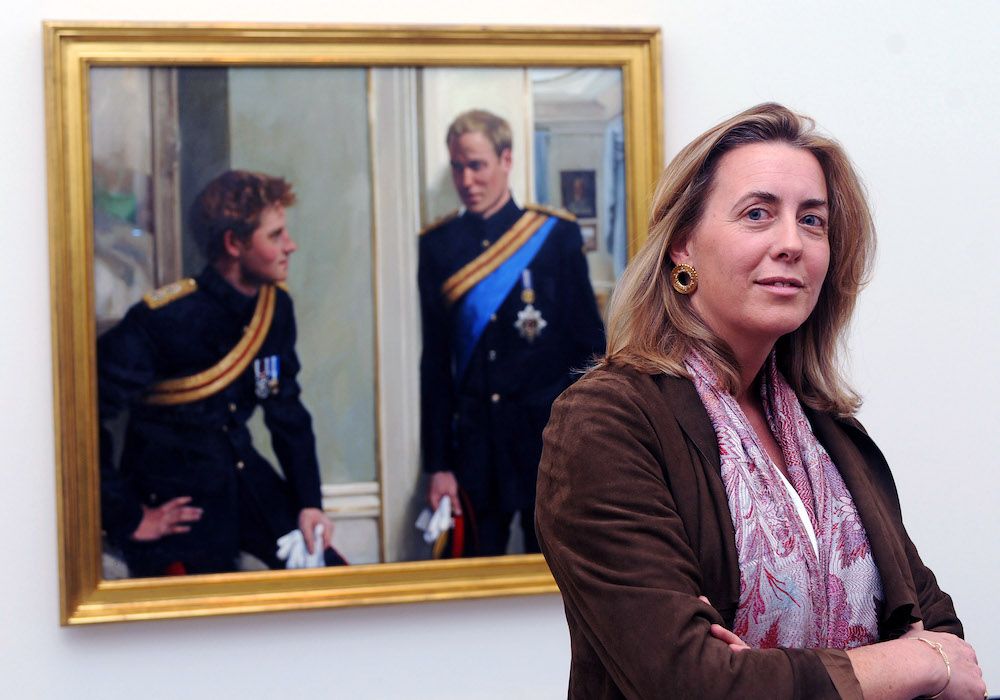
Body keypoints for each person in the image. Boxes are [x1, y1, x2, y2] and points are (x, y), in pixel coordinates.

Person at [535, 104, 986, 699]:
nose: (791, 244)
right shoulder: (606, 422)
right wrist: (909, 665)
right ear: (682, 245)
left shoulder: (828, 429)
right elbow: (690, 684)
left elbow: (947, 638)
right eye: (757, 214)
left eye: (813, 221)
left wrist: (765, 672)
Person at [98, 169, 344, 577]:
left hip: (245, 481)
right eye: (276, 236)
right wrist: (129, 516)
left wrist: (308, 503)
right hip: (176, 502)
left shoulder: (273, 311)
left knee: (335, 580)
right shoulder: (163, 319)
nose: (291, 246)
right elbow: (81, 414)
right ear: (234, 244)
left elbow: (281, 406)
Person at [419, 109, 605, 556]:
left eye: (477, 165)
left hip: (547, 441)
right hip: (476, 449)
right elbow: (435, 362)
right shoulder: (438, 246)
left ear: (506, 160)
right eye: (458, 167)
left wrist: (588, 444)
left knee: (559, 578)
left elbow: (589, 349)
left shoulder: (554, 236)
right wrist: (438, 464)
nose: (467, 179)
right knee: (475, 584)